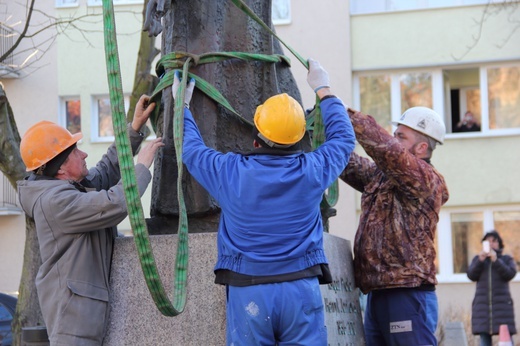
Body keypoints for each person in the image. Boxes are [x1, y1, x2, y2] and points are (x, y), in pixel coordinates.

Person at [173, 59, 355, 345]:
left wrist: (181, 108)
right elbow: (344, 139)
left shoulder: (230, 173)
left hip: (250, 290)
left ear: (258, 136)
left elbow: (191, 148)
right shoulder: (313, 169)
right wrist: (324, 89)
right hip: (300, 287)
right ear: (299, 138)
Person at [17, 95, 164, 345]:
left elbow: (106, 171)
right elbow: (114, 203)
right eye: (75, 151)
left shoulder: (66, 188)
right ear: (60, 168)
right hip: (73, 320)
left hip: (81, 315)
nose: (84, 154)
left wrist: (135, 127)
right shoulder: (55, 202)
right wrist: (141, 167)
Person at [339, 106, 450, 345]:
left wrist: (338, 109)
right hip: (379, 292)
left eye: (401, 136)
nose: (393, 139)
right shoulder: (381, 178)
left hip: (407, 293)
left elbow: (386, 150)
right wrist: (320, 132)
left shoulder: (426, 179)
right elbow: (346, 163)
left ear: (421, 148)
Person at [467, 230, 517, 346]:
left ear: (499, 243)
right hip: (483, 307)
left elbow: (510, 274)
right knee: (484, 339)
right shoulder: (478, 260)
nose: (491, 244)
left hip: (502, 307)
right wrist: (480, 260)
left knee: (506, 339)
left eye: (494, 241)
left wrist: (496, 260)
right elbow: (471, 275)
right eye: (488, 241)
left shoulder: (506, 259)